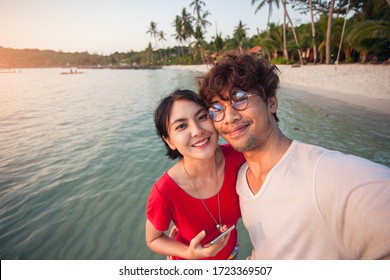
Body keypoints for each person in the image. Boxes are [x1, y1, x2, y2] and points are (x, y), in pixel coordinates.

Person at [197, 51, 390, 260]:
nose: (229, 117)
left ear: (271, 103)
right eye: (217, 109)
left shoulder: (329, 176)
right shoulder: (242, 180)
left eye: (240, 99)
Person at [145, 89, 245, 260]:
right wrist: (188, 253)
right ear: (169, 141)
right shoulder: (164, 192)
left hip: (231, 254)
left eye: (202, 117)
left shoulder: (240, 156)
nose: (197, 131)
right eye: (181, 126)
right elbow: (154, 239)